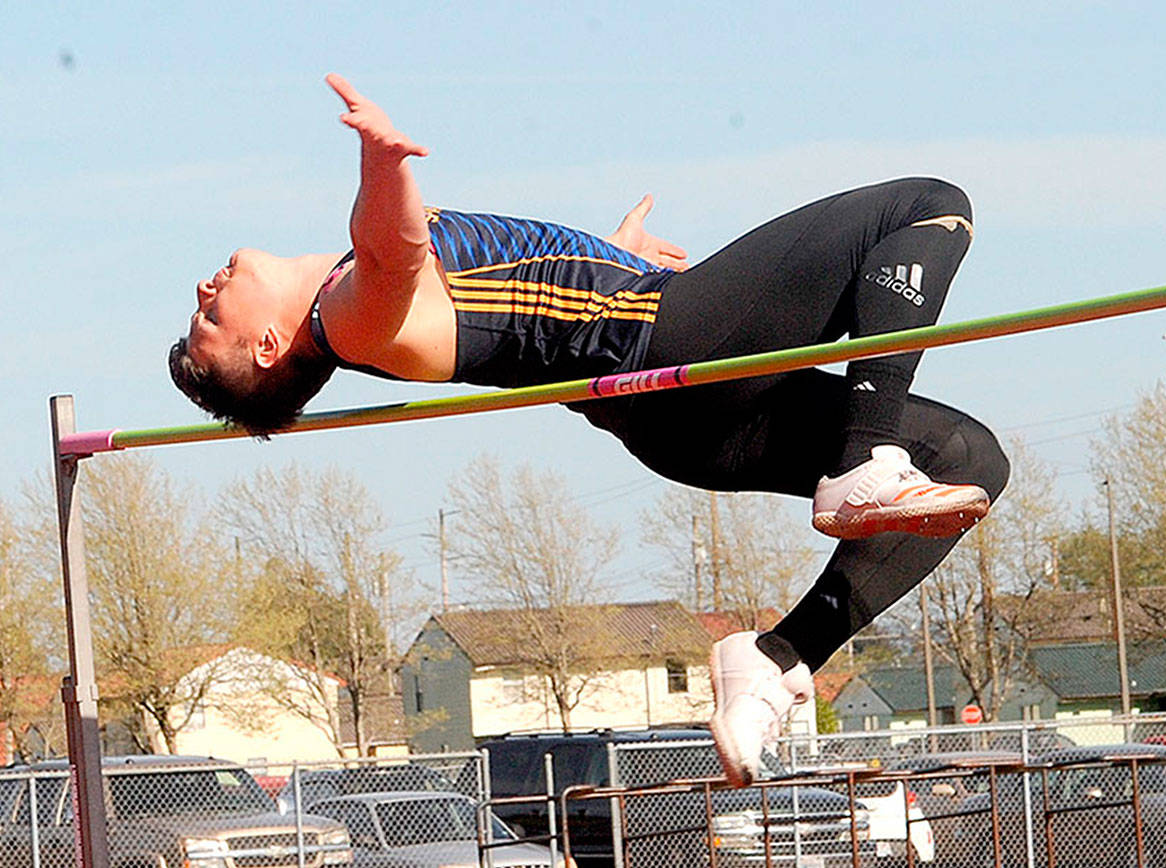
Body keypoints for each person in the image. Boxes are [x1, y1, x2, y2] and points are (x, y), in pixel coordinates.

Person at [170, 74, 1009, 786]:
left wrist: (606, 256)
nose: (204, 295)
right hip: (662, 351)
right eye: (210, 323)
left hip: (675, 416)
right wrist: (383, 166)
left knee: (968, 458)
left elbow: (525, 315)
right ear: (270, 347)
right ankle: (863, 462)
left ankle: (778, 658)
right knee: (926, 207)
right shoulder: (353, 318)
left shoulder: (361, 301)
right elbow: (397, 254)